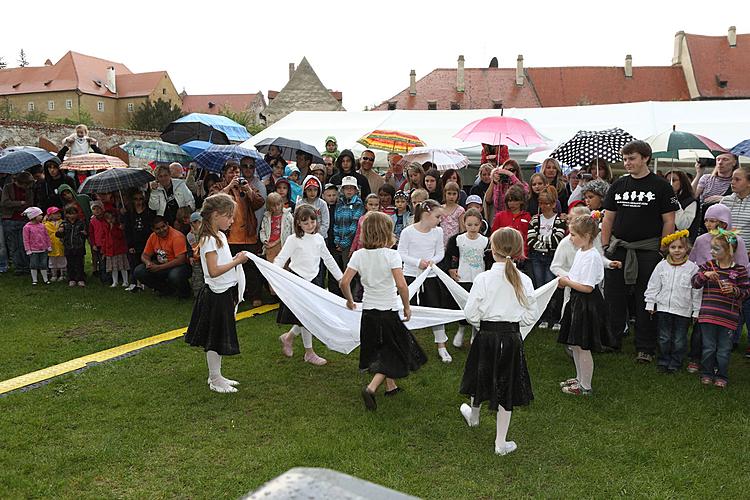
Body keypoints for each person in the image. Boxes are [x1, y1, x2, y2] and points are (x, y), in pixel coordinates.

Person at [458, 227, 537, 456]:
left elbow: (470, 313)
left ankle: (475, 417)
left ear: (492, 250)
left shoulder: (483, 278)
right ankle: (499, 442)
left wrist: (483, 323)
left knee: (480, 375)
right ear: (519, 251)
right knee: (506, 384)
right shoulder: (524, 280)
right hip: (511, 339)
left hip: (486, 337)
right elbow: (532, 314)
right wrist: (513, 323)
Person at [601, 140, 679, 361]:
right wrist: (606, 246)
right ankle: (612, 339)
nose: (627, 163)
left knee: (646, 298)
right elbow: (608, 217)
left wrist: (662, 249)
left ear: (645, 158)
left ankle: (645, 346)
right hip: (619, 249)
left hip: (648, 250)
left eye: (632, 158)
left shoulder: (661, 186)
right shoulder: (618, 185)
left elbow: (668, 220)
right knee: (614, 296)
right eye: (625, 159)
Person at [342, 212, 427, 410]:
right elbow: (402, 285)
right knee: (396, 350)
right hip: (387, 312)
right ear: (386, 233)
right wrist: (406, 306)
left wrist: (349, 300)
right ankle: (371, 388)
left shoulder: (358, 255)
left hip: (369, 313)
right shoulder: (391, 255)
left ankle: (391, 387)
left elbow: (344, 281)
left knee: (381, 348)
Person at [185, 193, 250, 394]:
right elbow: (213, 271)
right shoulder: (208, 240)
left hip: (224, 292)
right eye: (229, 216)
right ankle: (214, 379)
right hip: (215, 295)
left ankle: (218, 375)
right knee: (215, 338)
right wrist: (237, 262)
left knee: (219, 336)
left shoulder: (220, 236)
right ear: (216, 215)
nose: (232, 221)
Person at [557, 215, 617, 396]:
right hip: (577, 301)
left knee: (583, 346)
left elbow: (588, 287)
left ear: (587, 235)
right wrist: (567, 279)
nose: (571, 238)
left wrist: (566, 282)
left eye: (574, 235)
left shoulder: (592, 257)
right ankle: (579, 377)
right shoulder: (581, 252)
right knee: (575, 343)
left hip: (586, 303)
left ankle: (586, 386)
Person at [276, 205, 343, 366]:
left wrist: (341, 278)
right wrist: (274, 275)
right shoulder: (293, 240)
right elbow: (281, 259)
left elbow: (328, 260)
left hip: (314, 281)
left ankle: (289, 337)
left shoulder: (319, 239)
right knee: (306, 318)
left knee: (309, 317)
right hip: (297, 281)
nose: (310, 225)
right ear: (298, 223)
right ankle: (309, 352)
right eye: (305, 223)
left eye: (313, 221)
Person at [689, 204, 749, 366]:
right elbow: (692, 261)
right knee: (701, 326)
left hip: (727, 292)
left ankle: (717, 362)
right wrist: (701, 275)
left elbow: (743, 265)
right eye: (706, 220)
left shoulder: (735, 240)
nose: (708, 224)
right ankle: (695, 357)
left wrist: (735, 285)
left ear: (723, 223)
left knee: (723, 329)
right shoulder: (701, 240)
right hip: (705, 288)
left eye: (712, 220)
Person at [397, 199, 452, 363]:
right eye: (437, 217)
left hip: (431, 276)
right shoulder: (408, 232)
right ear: (426, 215)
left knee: (436, 310)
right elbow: (401, 253)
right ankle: (404, 346)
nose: (439, 220)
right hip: (411, 276)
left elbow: (440, 252)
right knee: (405, 310)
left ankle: (442, 346)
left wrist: (432, 262)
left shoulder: (438, 232)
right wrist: (418, 262)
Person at [644, 230, 701, 373]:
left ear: (687, 248)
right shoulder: (661, 266)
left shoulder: (693, 268)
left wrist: (696, 310)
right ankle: (663, 361)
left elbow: (696, 291)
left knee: (679, 339)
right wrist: (650, 302)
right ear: (668, 248)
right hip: (663, 309)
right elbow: (653, 285)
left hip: (683, 310)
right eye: (673, 247)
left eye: (680, 247)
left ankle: (676, 362)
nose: (677, 250)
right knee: (664, 337)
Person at [211, 160, 265, 307]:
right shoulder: (219, 186)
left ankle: (255, 296)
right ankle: (233, 296)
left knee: (251, 267)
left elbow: (259, 203)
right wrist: (229, 187)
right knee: (231, 267)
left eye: (236, 172)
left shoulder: (247, 186)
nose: (235, 175)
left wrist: (248, 190)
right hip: (229, 236)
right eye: (231, 172)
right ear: (224, 174)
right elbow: (213, 200)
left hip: (248, 235)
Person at [446, 208, 488, 347]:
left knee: (478, 307)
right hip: (463, 278)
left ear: (480, 224)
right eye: (469, 225)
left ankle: (475, 333)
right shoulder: (457, 239)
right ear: (464, 223)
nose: (472, 228)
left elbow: (488, 260)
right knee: (464, 306)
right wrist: (452, 269)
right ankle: (461, 329)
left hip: (479, 279)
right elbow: (450, 255)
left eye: (476, 225)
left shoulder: (485, 241)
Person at [527, 186, 567, 329]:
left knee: (553, 287)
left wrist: (541, 241)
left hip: (552, 257)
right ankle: (542, 317)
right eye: (541, 203)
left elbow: (558, 239)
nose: (544, 206)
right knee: (540, 287)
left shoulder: (560, 220)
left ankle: (555, 318)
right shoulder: (535, 219)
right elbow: (531, 240)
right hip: (537, 257)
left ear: (554, 204)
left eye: (547, 203)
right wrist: (546, 241)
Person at [134, 216, 191, 298]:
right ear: (153, 229)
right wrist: (148, 263)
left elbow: (181, 260)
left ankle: (185, 292)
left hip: (179, 266)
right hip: (161, 264)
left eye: (163, 227)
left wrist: (159, 267)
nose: (162, 230)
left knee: (175, 275)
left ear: (167, 224)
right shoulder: (153, 236)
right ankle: (166, 290)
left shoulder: (177, 236)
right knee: (139, 271)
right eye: (158, 229)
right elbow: (144, 255)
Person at [491, 186, 531, 274]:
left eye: (515, 200)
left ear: (521, 201)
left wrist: (523, 254)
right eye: (509, 201)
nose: (511, 203)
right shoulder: (500, 216)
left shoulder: (527, 217)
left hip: (521, 258)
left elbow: (528, 238)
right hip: (502, 258)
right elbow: (494, 236)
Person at [692, 153, 737, 229]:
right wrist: (699, 174)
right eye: (718, 159)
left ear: (734, 163)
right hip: (704, 222)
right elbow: (692, 195)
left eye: (725, 159)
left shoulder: (736, 181)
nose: (720, 162)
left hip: (725, 223)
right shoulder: (707, 178)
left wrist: (722, 198)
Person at [1, 171, 35, 274]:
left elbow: (30, 204)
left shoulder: (29, 190)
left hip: (23, 220)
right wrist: (20, 203)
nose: (25, 186)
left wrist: (17, 204)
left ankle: (27, 266)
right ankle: (19, 267)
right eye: (24, 184)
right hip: (9, 219)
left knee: (24, 244)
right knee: (14, 245)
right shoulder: (8, 187)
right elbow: (5, 203)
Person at [333, 176, 365, 274]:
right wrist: (337, 239)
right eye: (347, 188)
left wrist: (344, 243)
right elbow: (336, 222)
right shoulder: (339, 203)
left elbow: (354, 225)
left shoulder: (358, 204)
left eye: (352, 188)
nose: (349, 190)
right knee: (340, 268)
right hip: (339, 242)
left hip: (351, 243)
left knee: (350, 270)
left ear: (356, 190)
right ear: (342, 190)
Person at [123, 191, 154, 292]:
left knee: (146, 261)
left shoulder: (149, 212)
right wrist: (130, 244)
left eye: (140, 199)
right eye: (136, 199)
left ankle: (146, 283)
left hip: (147, 241)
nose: (138, 201)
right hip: (134, 242)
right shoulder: (129, 213)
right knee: (134, 262)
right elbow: (127, 230)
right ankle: (135, 283)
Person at [56, 205, 87, 286]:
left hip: (79, 247)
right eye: (70, 214)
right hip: (68, 247)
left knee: (79, 264)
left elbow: (85, 234)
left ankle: (80, 279)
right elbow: (58, 235)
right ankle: (71, 279)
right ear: (66, 215)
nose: (72, 216)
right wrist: (60, 231)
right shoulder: (63, 223)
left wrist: (84, 234)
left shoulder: (80, 223)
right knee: (70, 264)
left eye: (74, 214)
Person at [259, 192, 293, 265]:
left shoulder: (287, 216)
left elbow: (291, 231)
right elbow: (263, 230)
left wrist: (276, 242)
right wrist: (264, 240)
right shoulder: (266, 216)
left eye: (278, 204)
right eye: (273, 206)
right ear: (269, 206)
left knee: (284, 267)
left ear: (282, 203)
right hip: (269, 245)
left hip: (282, 244)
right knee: (271, 267)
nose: (276, 208)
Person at [664, 169, 699, 239]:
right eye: (667, 181)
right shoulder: (663, 199)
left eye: (673, 180)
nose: (669, 183)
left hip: (682, 242)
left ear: (682, 182)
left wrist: (674, 202)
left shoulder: (691, 201)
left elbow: (683, 225)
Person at [22, 206, 52, 285]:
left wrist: (48, 246)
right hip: (33, 250)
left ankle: (45, 279)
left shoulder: (42, 226)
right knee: (34, 265)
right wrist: (28, 249)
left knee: (43, 264)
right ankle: (34, 280)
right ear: (34, 216)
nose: (42, 216)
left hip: (43, 249)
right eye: (40, 215)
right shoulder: (27, 227)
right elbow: (26, 239)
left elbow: (46, 236)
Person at [102, 210, 129, 288]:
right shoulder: (105, 227)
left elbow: (120, 236)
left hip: (119, 250)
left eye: (112, 218)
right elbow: (104, 240)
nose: (110, 220)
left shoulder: (119, 227)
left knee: (122, 267)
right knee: (113, 268)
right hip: (110, 251)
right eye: (108, 218)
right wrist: (104, 251)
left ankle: (125, 281)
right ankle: (115, 282)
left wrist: (114, 228)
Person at [44, 206, 66, 281]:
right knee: (52, 262)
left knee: (62, 260)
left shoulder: (63, 222)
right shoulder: (46, 224)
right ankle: (54, 275)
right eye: (55, 213)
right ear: (49, 215)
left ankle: (62, 275)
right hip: (51, 245)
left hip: (61, 245)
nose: (58, 214)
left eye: (59, 213)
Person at [440, 182, 465, 247]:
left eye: (454, 194)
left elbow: (462, 228)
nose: (451, 196)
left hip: (454, 242)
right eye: (449, 193)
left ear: (458, 195)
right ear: (445, 193)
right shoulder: (440, 209)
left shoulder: (460, 210)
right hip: (442, 242)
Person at [88, 201, 108, 282]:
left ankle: (110, 277)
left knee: (108, 261)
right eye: (94, 209)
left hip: (107, 243)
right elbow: (91, 234)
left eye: (98, 208)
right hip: (98, 244)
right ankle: (103, 278)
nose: (96, 210)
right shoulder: (92, 221)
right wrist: (93, 244)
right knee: (101, 262)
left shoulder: (106, 219)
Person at [187, 212, 204, 298]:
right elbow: (189, 248)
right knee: (197, 279)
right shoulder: (190, 236)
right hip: (196, 261)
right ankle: (198, 296)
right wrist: (190, 257)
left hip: (206, 260)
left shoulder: (206, 233)